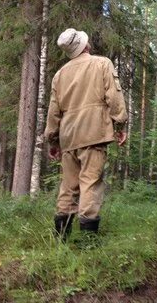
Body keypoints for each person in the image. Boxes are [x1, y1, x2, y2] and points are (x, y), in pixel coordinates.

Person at [44, 28, 128, 242]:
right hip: (94, 133)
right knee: (90, 182)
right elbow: (114, 97)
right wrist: (120, 126)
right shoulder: (102, 64)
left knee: (68, 186)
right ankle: (88, 241)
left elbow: (54, 111)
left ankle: (60, 240)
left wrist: (53, 140)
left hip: (68, 137)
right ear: (85, 45)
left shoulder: (60, 74)